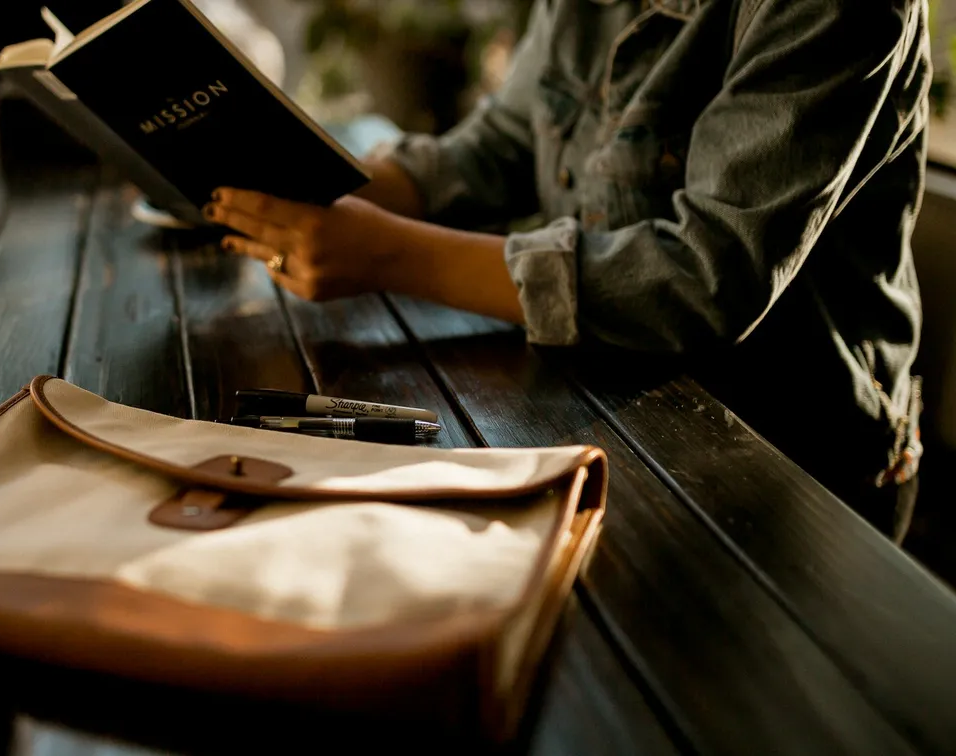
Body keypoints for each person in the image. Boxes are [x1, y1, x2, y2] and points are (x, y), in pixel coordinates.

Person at [200, 0, 929, 541]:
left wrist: (384, 252)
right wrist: (300, 185)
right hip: (612, 413)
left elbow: (701, 278)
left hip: (795, 474)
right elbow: (504, 143)